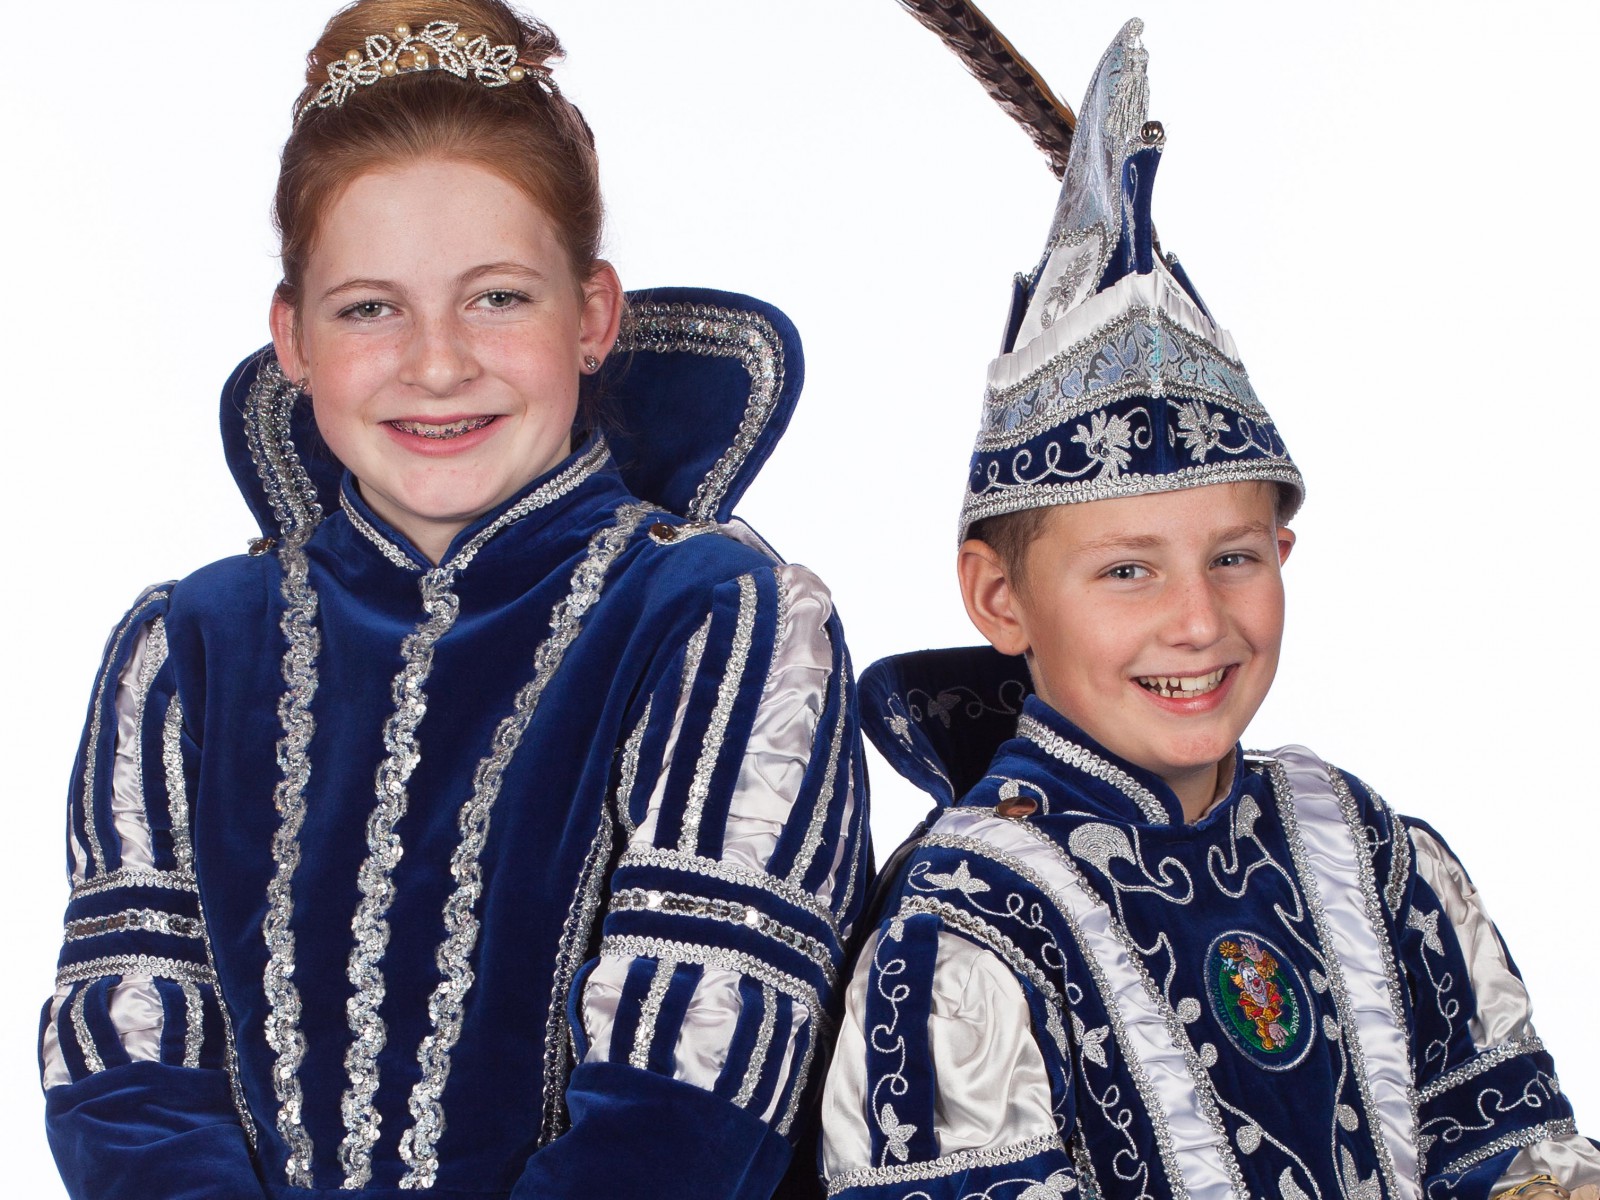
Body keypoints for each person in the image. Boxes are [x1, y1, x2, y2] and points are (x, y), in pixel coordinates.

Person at [38, 2, 869, 1197]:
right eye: (369, 307)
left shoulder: (717, 621)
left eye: (498, 298)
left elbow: (693, 1090)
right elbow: (129, 1066)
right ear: (294, 339)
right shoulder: (188, 649)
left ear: (591, 316)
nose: (437, 363)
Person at [819, 19, 1598, 1200]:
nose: (1197, 622)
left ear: (1284, 551)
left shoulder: (1361, 845)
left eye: (1232, 558)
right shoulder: (965, 930)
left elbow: (1499, 1145)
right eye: (1126, 571)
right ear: (998, 596)